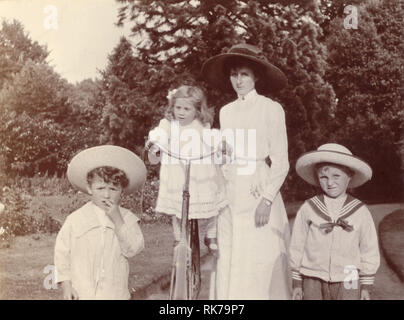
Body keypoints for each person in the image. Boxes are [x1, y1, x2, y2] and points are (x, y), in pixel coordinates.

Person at [201, 43, 291, 299]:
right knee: (230, 255)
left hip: (258, 188)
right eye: (233, 74)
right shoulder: (226, 112)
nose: (238, 80)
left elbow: (281, 160)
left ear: (256, 77)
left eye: (244, 74)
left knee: (258, 255)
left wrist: (266, 199)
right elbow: (228, 155)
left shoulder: (270, 108)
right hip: (231, 190)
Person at [54, 145, 147, 300]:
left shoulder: (127, 218)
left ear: (122, 190)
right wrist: (66, 285)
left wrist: (118, 220)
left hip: (115, 293)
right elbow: (61, 254)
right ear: (89, 188)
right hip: (82, 293)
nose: (106, 195)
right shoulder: (76, 219)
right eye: (100, 188)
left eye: (113, 189)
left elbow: (133, 249)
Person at [290, 143, 380, 300]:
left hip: (349, 277)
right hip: (313, 276)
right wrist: (297, 281)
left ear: (349, 177)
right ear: (318, 179)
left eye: (336, 176)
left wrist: (366, 285)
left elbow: (369, 248)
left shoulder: (360, 211)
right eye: (324, 177)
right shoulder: (309, 208)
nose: (330, 183)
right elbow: (297, 244)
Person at [146, 85, 228, 255]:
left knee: (215, 201)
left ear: (197, 110)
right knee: (178, 209)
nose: (181, 112)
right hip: (177, 172)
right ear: (172, 107)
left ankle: (211, 234)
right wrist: (154, 143)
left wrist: (221, 145)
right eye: (178, 108)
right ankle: (178, 237)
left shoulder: (201, 125)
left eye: (186, 109)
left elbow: (211, 139)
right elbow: (160, 135)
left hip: (200, 172)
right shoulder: (168, 124)